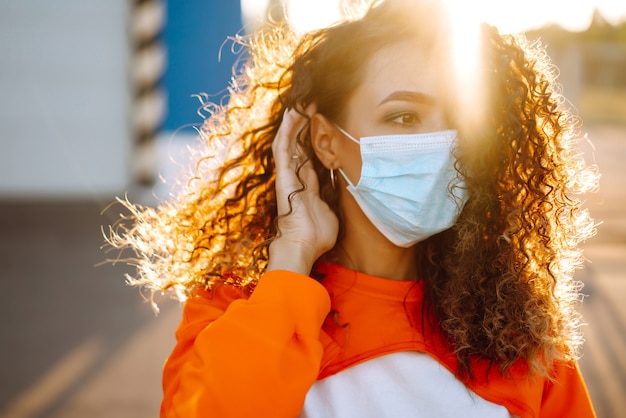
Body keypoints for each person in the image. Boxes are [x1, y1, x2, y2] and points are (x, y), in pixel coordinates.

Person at [107, 0, 598, 416]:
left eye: (462, 121)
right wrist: (293, 255)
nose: (443, 144)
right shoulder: (237, 312)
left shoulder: (517, 332)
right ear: (326, 141)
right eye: (403, 116)